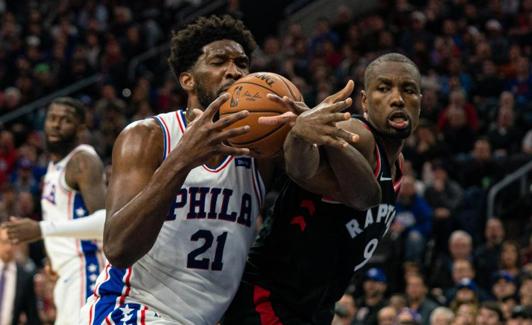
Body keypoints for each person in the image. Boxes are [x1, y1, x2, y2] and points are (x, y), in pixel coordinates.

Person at [81, 15, 360, 325]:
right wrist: (182, 159)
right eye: (219, 61)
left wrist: (305, 136)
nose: (234, 70)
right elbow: (118, 248)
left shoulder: (262, 148)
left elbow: (350, 192)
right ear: (187, 80)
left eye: (242, 63)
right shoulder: (149, 136)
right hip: (130, 308)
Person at [223, 52, 423, 324]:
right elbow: (301, 169)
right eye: (384, 88)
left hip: (316, 309)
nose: (398, 98)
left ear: (419, 102)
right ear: (364, 101)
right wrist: (299, 135)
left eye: (408, 90)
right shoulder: (354, 133)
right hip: (269, 299)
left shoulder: (396, 162)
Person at [2, 97, 106, 325]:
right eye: (52, 118)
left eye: (66, 120)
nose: (56, 125)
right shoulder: (52, 166)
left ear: (80, 128)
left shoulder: (83, 160)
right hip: (66, 272)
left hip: (86, 267)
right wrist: (52, 257)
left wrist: (40, 229)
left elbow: (107, 222)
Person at [0, 227, 41, 324]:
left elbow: (32, 316)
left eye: (12, 243)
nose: (8, 248)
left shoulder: (25, 277)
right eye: (4, 242)